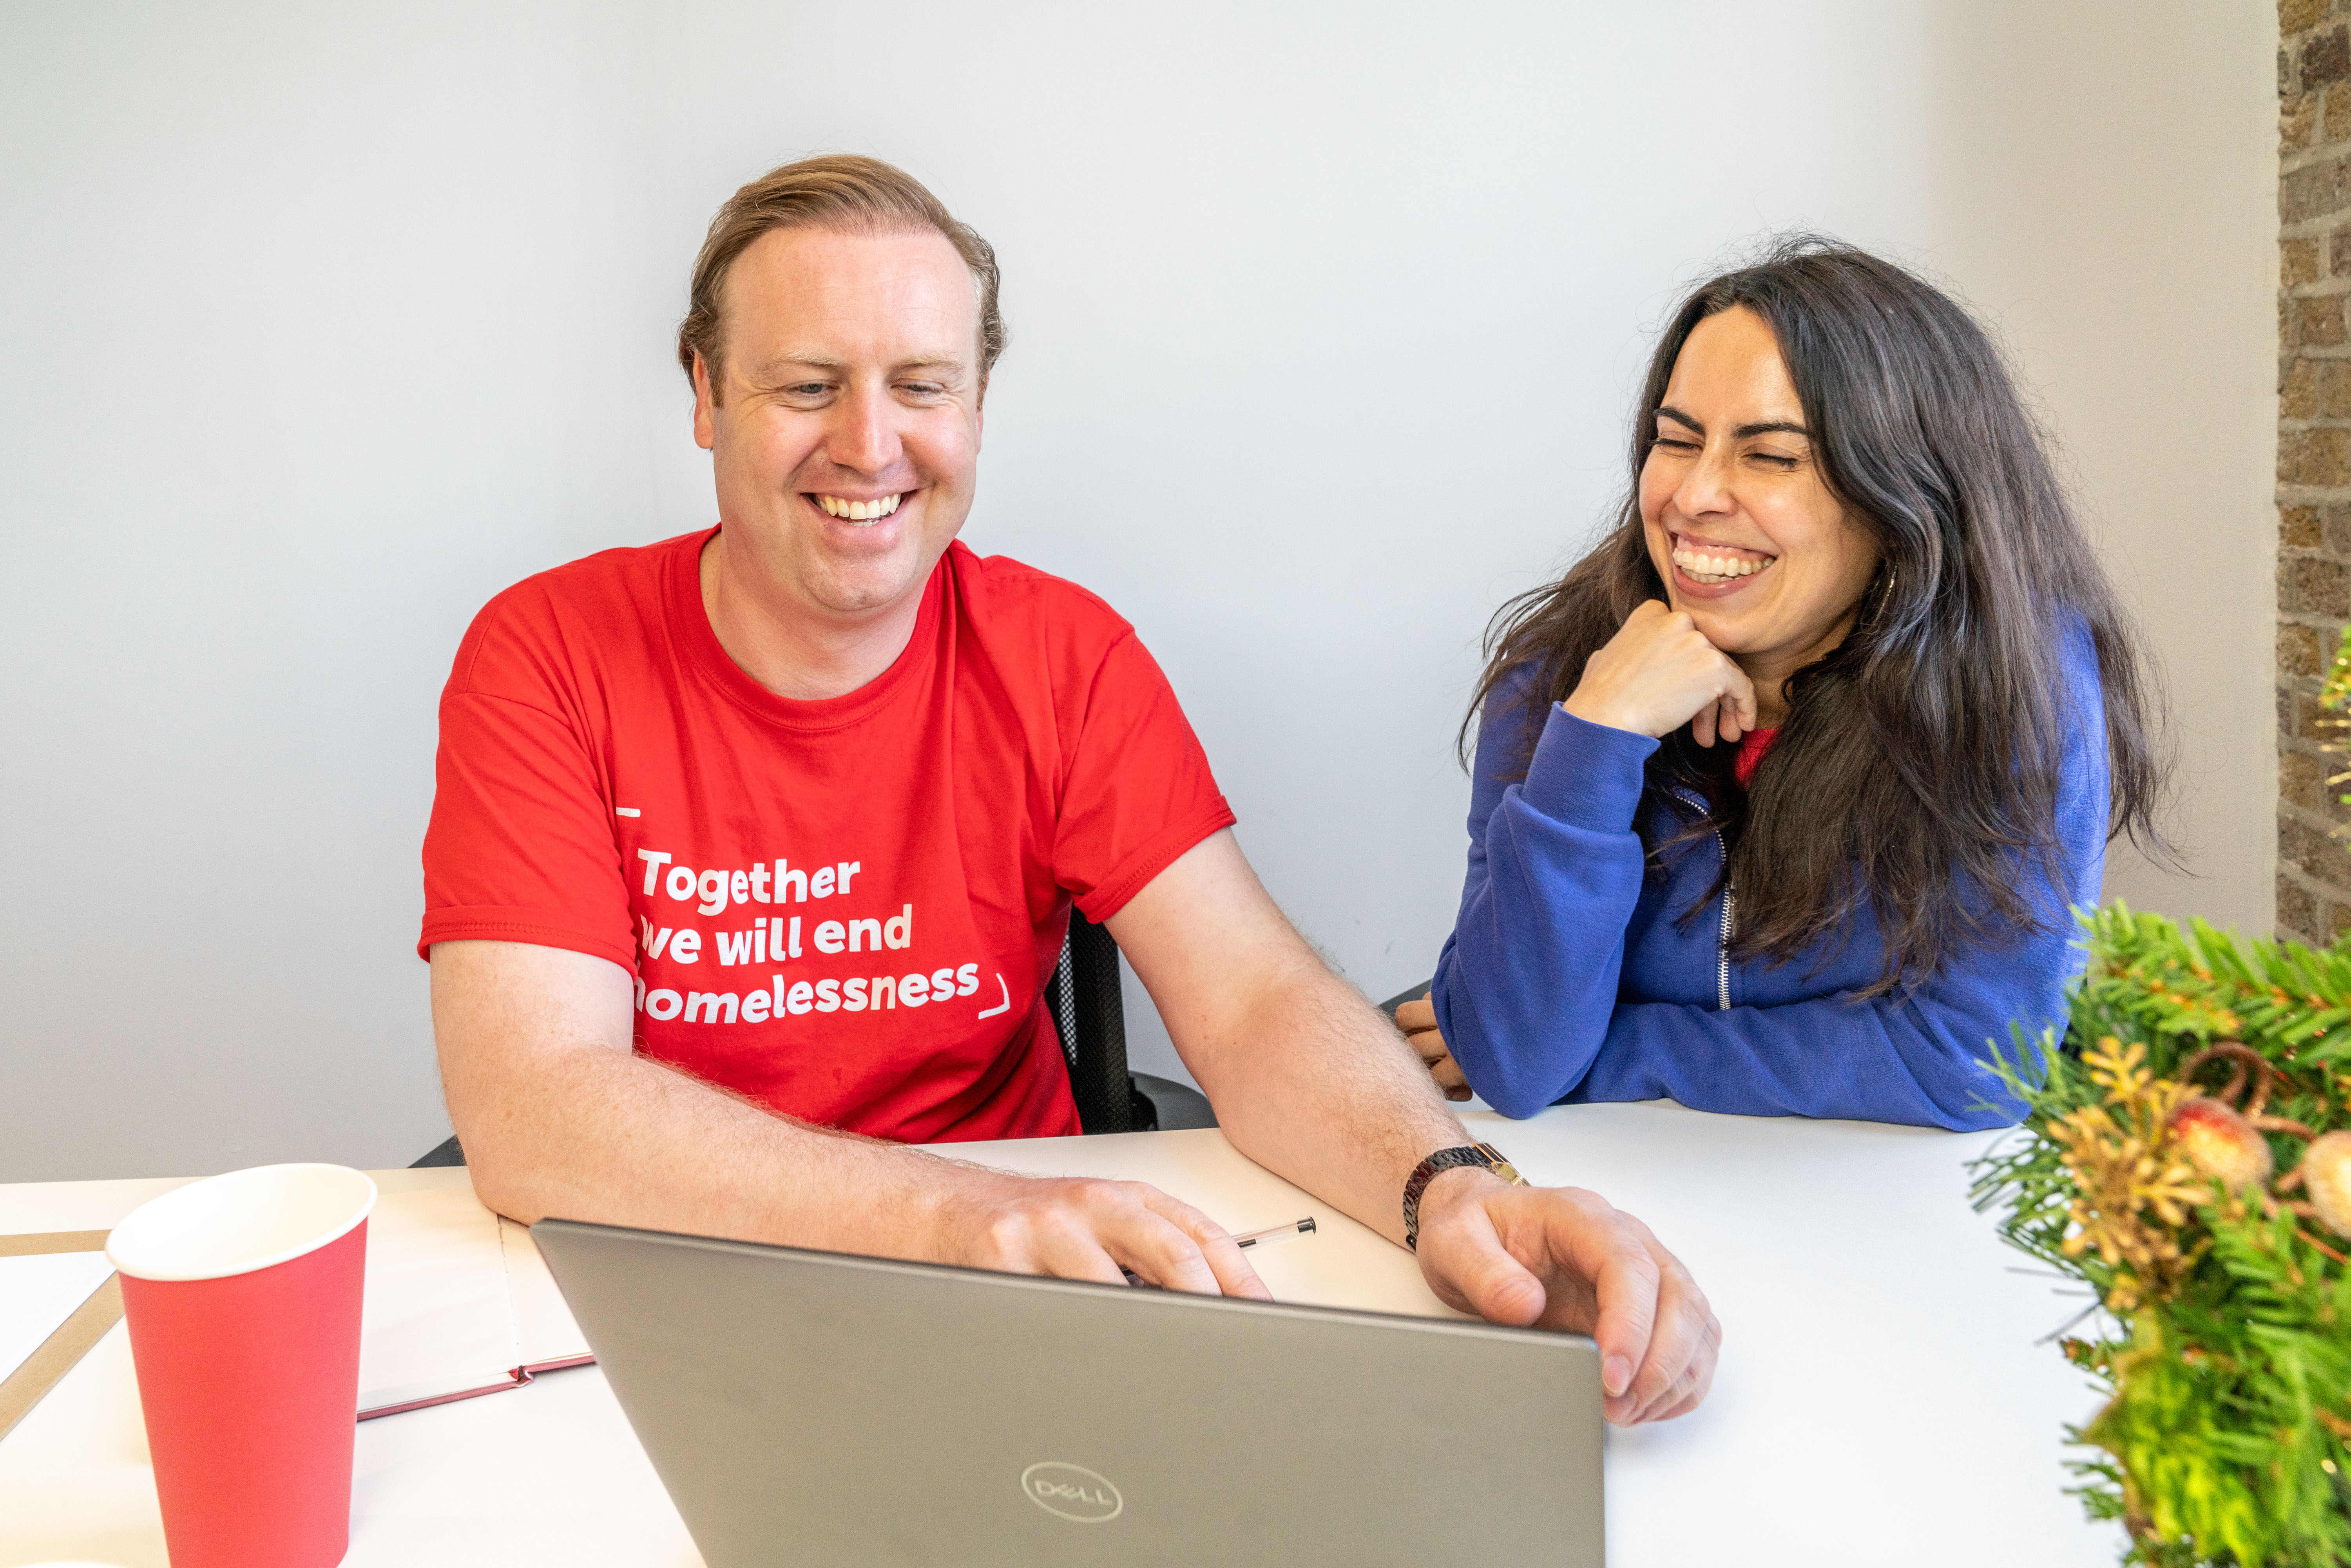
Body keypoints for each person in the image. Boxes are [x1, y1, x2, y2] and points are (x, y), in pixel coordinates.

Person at [420, 154, 1717, 1425]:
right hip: (681, 1285)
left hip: (1028, 1302)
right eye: (807, 384)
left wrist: (1453, 1186)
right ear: (705, 392)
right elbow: (535, 1107)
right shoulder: (546, 655)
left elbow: (1256, 1001)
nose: (869, 445)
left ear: (977, 402)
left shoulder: (1060, 655)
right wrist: (948, 1213)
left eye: (922, 384)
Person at [1397, 240, 2163, 1131]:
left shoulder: (2017, 683)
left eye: (1771, 457)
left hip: (1881, 1221)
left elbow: (1973, 1064)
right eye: (1676, 441)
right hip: (1611, 1205)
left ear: (1906, 498)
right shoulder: (1562, 676)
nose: (1693, 496)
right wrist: (1598, 738)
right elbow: (1516, 1061)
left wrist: (1617, 1046)